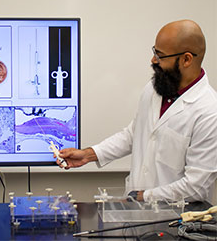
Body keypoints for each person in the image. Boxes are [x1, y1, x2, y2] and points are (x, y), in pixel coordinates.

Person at [57, 19, 217, 203]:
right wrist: (88, 154)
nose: (153, 60)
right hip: (136, 211)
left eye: (160, 55)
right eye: (154, 52)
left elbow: (196, 187)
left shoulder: (209, 111)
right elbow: (134, 135)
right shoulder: (154, 88)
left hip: (177, 219)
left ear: (186, 59)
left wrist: (143, 197)